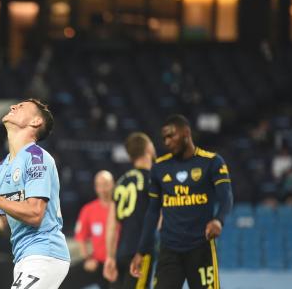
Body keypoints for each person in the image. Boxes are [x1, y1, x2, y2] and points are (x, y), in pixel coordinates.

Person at [0, 99, 70, 289]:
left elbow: (34, 215)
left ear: (35, 122)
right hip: (23, 258)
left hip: (44, 253)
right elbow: (8, 226)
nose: (13, 107)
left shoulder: (37, 157)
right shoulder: (0, 169)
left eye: (21, 107)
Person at [130, 115, 233, 289]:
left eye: (172, 136)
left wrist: (218, 220)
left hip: (201, 248)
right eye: (164, 138)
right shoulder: (159, 168)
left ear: (186, 133)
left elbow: (226, 197)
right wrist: (141, 251)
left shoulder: (212, 162)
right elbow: (152, 212)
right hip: (169, 250)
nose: (167, 142)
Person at [103, 132, 157, 289]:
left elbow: (112, 224)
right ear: (148, 148)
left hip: (122, 251)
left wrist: (110, 257)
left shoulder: (121, 181)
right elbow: (160, 219)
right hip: (142, 252)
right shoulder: (153, 180)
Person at [74, 170, 115, 289]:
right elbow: (81, 237)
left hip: (119, 262)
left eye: (106, 184)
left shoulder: (121, 207)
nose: (103, 189)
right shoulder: (88, 210)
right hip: (99, 264)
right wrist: (87, 259)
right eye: (99, 185)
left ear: (113, 184)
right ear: (95, 187)